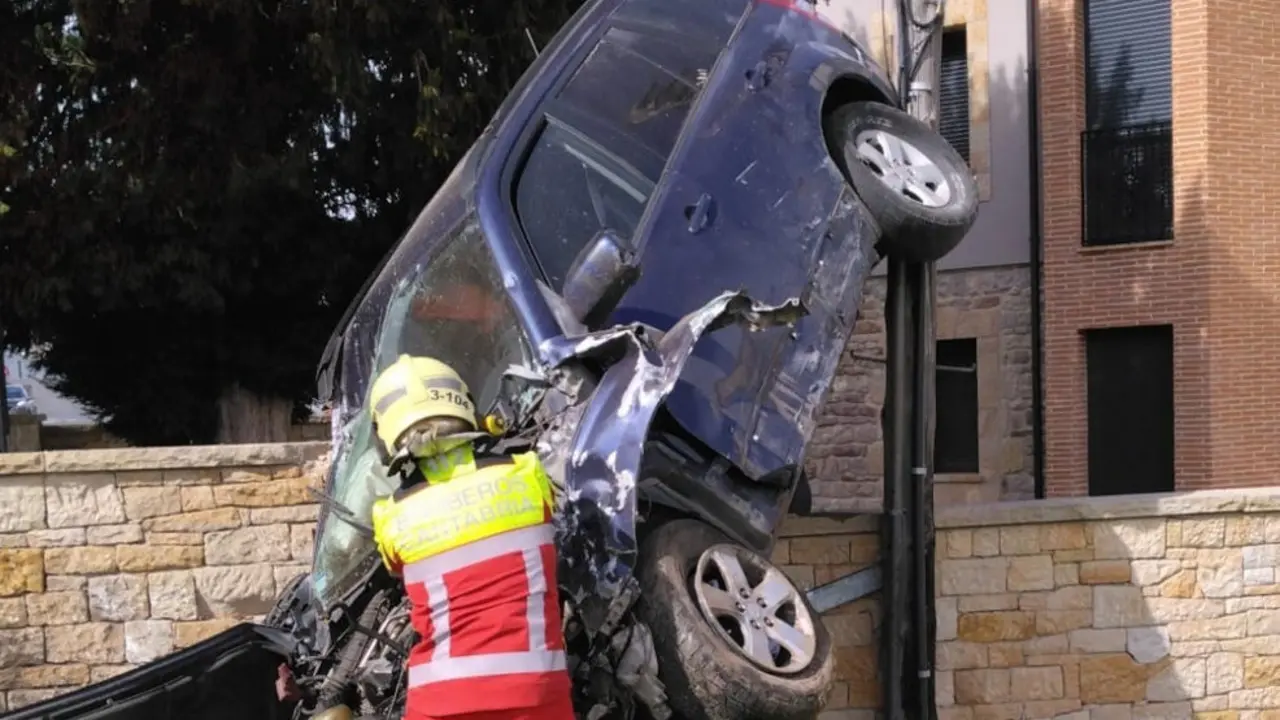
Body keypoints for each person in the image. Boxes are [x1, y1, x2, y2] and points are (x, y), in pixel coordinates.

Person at [367, 354, 575, 720]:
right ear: (464, 404)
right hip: (538, 694)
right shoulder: (527, 475)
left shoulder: (392, 518)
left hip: (440, 702)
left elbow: (397, 569)